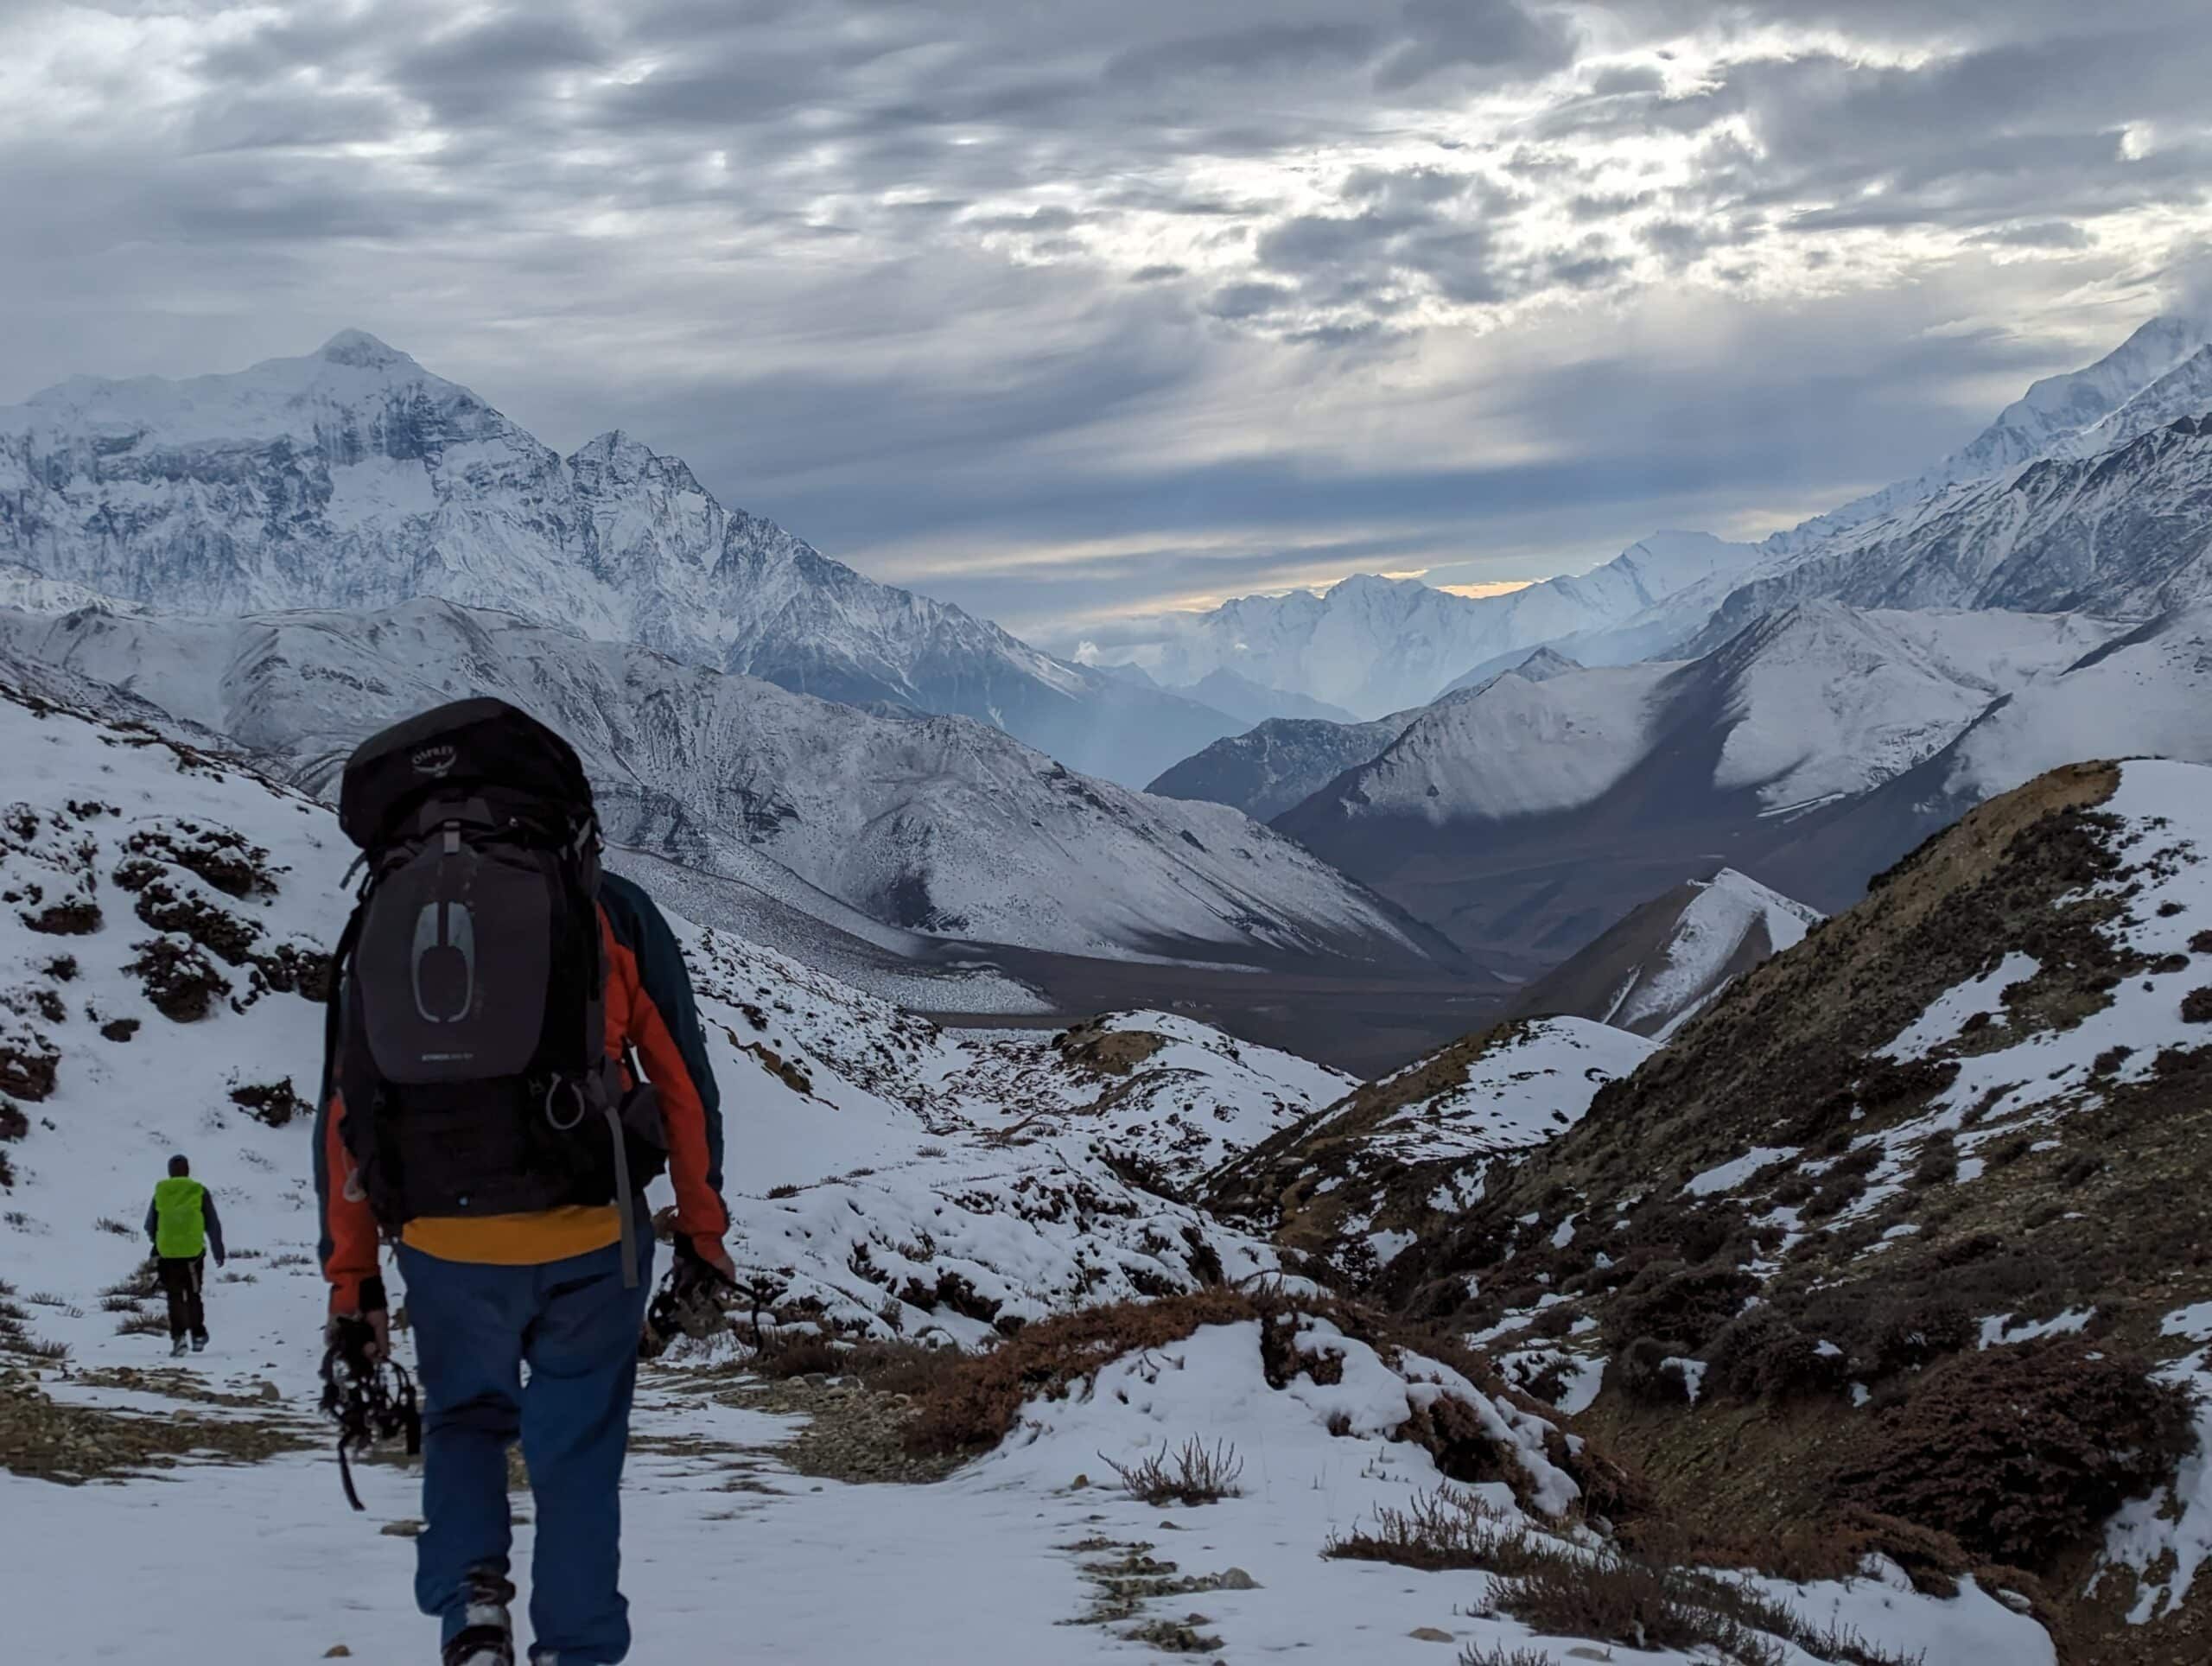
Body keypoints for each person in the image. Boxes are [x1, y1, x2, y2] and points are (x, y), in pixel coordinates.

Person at [314, 698, 734, 1666]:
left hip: (443, 1240)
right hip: (594, 1232)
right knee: (577, 1447)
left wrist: (355, 1281)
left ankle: (471, 1606)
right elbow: (682, 1084)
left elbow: (347, 1111)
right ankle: (577, 1649)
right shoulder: (611, 908)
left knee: (464, 1415)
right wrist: (702, 1231)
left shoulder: (385, 909)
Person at [145, 1152, 225, 1357]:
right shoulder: (198, 1191)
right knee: (193, 1294)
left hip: (168, 1254)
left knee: (174, 1296)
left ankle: (178, 1338)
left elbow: (149, 1225)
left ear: (170, 1172)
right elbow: (212, 1224)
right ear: (188, 1171)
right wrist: (218, 1248)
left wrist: (158, 1243)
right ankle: (198, 1335)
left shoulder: (161, 1193)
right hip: (193, 1254)